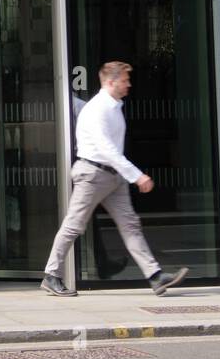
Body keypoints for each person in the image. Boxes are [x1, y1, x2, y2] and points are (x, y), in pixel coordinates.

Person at [42, 62, 188, 297]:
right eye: (125, 80)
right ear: (111, 82)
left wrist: (125, 175)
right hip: (92, 174)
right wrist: (136, 175)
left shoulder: (114, 107)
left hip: (112, 175)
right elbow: (107, 148)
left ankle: (155, 276)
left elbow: (112, 151)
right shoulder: (98, 109)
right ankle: (51, 275)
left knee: (130, 224)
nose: (129, 84)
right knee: (74, 225)